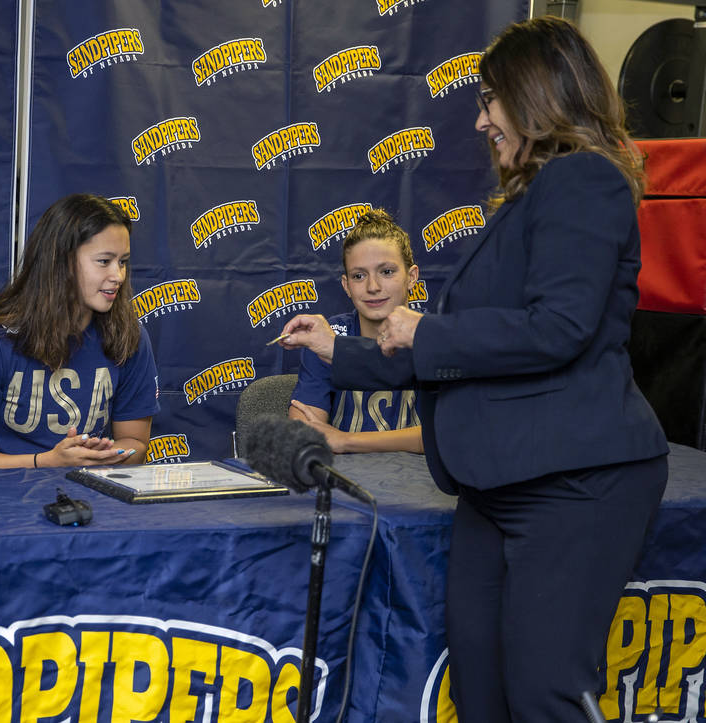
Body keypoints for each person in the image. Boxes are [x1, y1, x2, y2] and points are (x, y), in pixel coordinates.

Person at [278, 17, 667, 721]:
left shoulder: (584, 180)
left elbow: (560, 328)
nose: (482, 118)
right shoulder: (529, 196)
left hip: (572, 484)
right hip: (498, 487)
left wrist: (424, 329)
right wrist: (344, 352)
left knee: (544, 693)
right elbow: (463, 354)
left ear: (536, 93)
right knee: (481, 694)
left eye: (491, 99)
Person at [0, 193, 159, 469]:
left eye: (123, 261)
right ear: (62, 262)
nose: (118, 275)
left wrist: (100, 455)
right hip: (1, 501)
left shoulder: (130, 338)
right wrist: (48, 461)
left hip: (90, 500)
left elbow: (135, 444)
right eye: (104, 261)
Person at [289, 209, 423, 453]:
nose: (373, 287)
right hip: (346, 482)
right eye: (359, 276)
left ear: (411, 276)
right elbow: (304, 432)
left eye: (387, 272)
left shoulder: (434, 338)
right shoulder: (327, 339)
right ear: (346, 285)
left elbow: (448, 434)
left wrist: (345, 440)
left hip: (423, 482)